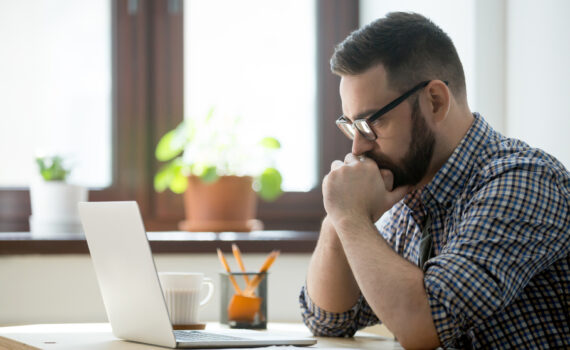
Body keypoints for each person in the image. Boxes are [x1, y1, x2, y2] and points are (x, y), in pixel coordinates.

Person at [299, 11, 570, 350]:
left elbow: (425, 324)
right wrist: (338, 217)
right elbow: (329, 320)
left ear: (435, 101)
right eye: (352, 126)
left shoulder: (524, 180)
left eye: (372, 124)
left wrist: (351, 218)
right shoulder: (409, 201)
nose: (358, 146)